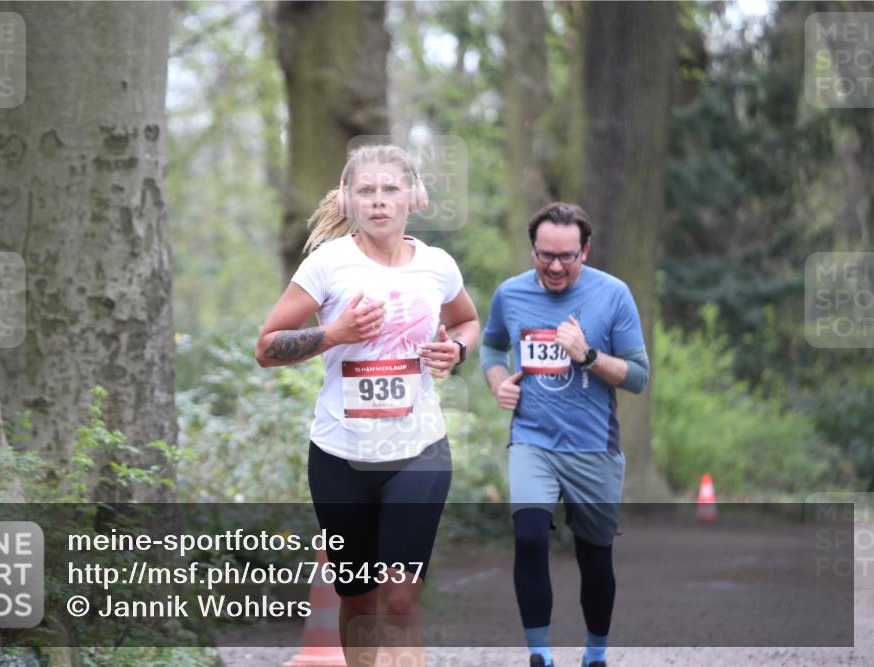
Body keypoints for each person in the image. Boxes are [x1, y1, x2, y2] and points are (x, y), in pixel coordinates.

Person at [255, 144, 479, 666]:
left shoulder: (438, 266)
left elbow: (468, 320)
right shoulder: (328, 265)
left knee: (400, 601)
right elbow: (266, 348)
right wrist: (334, 333)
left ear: (412, 198)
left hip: (418, 449)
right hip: (340, 455)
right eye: (366, 191)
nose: (379, 201)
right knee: (358, 605)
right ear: (349, 200)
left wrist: (458, 348)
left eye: (390, 190)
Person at [479, 203, 650, 667]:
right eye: (545, 255)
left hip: (594, 446)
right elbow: (492, 345)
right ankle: (540, 655)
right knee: (530, 536)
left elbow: (638, 377)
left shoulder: (613, 295)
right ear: (533, 249)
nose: (555, 266)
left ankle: (595, 655)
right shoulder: (510, 295)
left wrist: (588, 355)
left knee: (595, 558)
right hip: (532, 441)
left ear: (585, 251)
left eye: (567, 257)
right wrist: (499, 383)